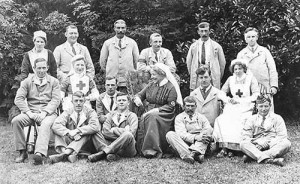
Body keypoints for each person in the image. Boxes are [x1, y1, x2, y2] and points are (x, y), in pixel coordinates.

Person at [11, 58, 60, 165]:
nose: (41, 70)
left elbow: (56, 100)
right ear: (34, 68)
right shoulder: (27, 82)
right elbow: (18, 99)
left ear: (47, 68)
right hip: (31, 113)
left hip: (48, 114)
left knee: (45, 124)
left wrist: (44, 113)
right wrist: (29, 113)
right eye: (39, 68)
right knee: (16, 121)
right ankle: (22, 151)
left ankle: (39, 154)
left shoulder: (54, 82)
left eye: (44, 68)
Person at [134, 63, 183, 158]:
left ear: (162, 74)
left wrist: (156, 110)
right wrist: (138, 99)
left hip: (165, 114)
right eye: (151, 74)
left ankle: (152, 150)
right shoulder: (151, 84)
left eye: (154, 74)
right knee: (146, 115)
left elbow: (170, 106)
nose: (152, 77)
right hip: (149, 111)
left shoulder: (171, 87)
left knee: (151, 117)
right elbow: (140, 94)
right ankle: (140, 148)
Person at [213, 59, 259, 157]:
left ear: (244, 69)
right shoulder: (230, 79)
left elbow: (256, 95)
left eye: (240, 69)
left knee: (240, 120)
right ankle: (225, 147)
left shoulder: (251, 78)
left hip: (246, 105)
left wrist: (242, 100)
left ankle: (236, 148)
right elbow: (221, 93)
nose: (237, 71)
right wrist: (228, 100)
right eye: (235, 69)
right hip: (232, 105)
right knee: (222, 119)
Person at [49, 91, 101, 164]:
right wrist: (69, 132)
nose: (78, 103)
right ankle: (68, 153)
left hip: (85, 143)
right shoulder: (68, 111)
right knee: (58, 131)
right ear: (72, 102)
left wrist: (77, 130)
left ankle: (65, 154)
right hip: (71, 140)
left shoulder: (91, 112)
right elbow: (56, 125)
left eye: (81, 101)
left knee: (86, 132)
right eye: (76, 101)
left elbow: (95, 126)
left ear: (84, 101)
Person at [240, 95, 291, 166]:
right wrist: (258, 142)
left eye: (266, 106)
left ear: (270, 106)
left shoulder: (277, 118)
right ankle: (270, 160)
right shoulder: (251, 119)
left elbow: (282, 136)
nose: (263, 109)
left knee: (286, 143)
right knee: (243, 144)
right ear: (256, 106)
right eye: (261, 106)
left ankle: (253, 156)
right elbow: (245, 136)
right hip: (256, 145)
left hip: (272, 146)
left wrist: (268, 144)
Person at [88, 92, 138, 162]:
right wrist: (123, 133)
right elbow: (105, 132)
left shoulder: (132, 116)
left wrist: (114, 130)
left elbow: (132, 133)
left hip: (126, 149)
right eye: (119, 100)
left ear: (128, 103)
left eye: (124, 100)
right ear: (116, 102)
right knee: (95, 132)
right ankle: (111, 154)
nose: (121, 102)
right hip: (111, 145)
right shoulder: (110, 115)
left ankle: (103, 153)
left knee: (128, 135)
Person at [237, 27, 278, 111]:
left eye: (253, 36)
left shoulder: (264, 51)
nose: (251, 39)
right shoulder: (241, 54)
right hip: (248, 87)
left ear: (257, 37)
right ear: (245, 39)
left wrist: (273, 86)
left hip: (265, 87)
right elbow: (238, 73)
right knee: (249, 112)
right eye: (248, 37)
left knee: (266, 110)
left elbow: (272, 69)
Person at [166, 96, 213, 164]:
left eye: (192, 106)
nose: (190, 108)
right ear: (184, 106)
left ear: (196, 106)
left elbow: (208, 129)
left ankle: (192, 154)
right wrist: (196, 137)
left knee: (208, 131)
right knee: (170, 134)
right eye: (188, 106)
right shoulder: (179, 117)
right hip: (185, 143)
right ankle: (196, 155)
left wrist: (202, 136)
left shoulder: (201, 117)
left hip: (200, 143)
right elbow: (181, 134)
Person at [99, 19, 139, 93]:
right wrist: (110, 72)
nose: (120, 30)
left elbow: (137, 61)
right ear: (114, 28)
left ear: (126, 28)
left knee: (126, 100)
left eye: (123, 28)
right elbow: (102, 61)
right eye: (118, 28)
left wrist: (133, 73)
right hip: (112, 80)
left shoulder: (132, 43)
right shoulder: (108, 43)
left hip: (128, 80)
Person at [186, 22, 226, 91]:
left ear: (209, 31)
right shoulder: (193, 47)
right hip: (198, 76)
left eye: (206, 31)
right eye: (202, 31)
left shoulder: (216, 46)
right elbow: (189, 63)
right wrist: (194, 74)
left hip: (211, 76)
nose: (204, 33)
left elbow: (222, 64)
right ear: (198, 32)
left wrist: (216, 75)